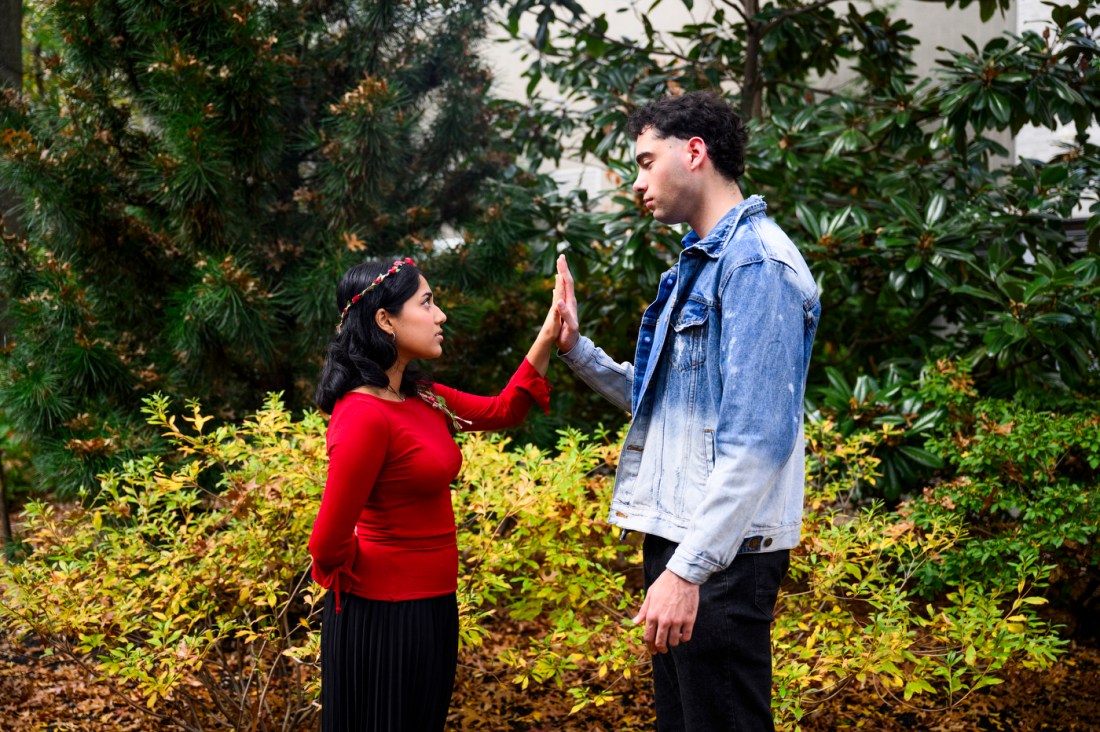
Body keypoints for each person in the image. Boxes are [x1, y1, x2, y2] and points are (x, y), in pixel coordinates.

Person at [554, 91, 820, 731]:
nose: (638, 183)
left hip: (722, 560)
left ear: (694, 152)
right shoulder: (699, 266)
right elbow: (668, 405)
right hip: (685, 545)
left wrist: (687, 572)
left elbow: (757, 443)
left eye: (646, 162)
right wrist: (575, 350)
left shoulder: (757, 265)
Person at [309, 257, 562, 731]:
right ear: (385, 319)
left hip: (434, 610)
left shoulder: (423, 397)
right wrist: (387, 565)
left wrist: (549, 332)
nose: (440, 314)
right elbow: (326, 545)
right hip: (382, 621)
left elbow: (503, 409)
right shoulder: (362, 415)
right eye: (427, 302)